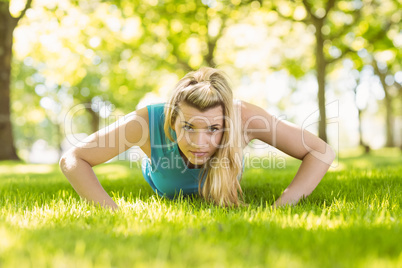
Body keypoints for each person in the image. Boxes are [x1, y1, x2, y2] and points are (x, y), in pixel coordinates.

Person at [59, 67, 335, 210]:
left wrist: (283, 205)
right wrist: (111, 212)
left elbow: (320, 151)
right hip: (159, 177)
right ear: (172, 120)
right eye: (188, 127)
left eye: (214, 129)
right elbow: (74, 158)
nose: (199, 142)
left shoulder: (244, 116)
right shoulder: (147, 121)